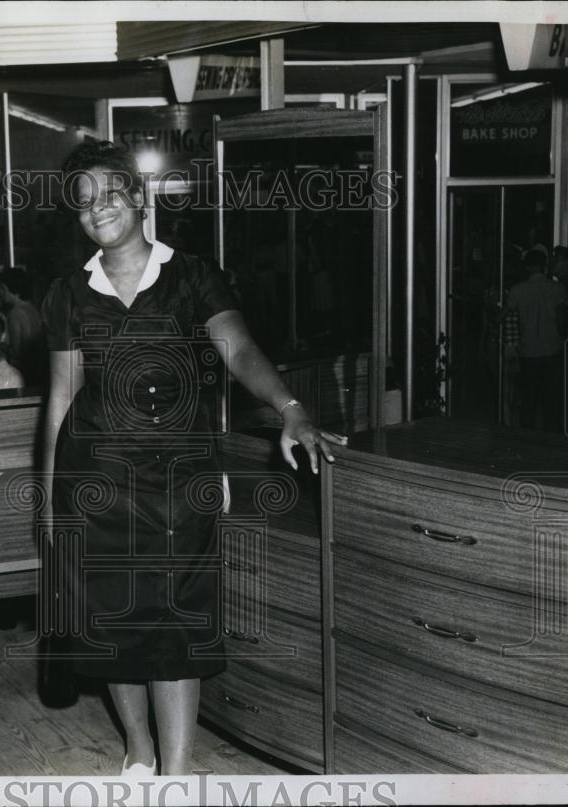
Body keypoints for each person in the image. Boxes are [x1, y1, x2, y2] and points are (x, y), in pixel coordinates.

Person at [41, 141, 346, 776]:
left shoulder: (194, 276)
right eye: (84, 201)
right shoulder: (67, 294)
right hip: (93, 483)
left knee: (177, 624)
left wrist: (289, 406)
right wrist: (48, 500)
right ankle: (140, 751)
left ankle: (177, 776)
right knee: (110, 625)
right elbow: (62, 396)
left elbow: (238, 350)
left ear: (140, 197)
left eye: (112, 192)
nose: (99, 208)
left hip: (181, 483)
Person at [506, 248, 568, 431]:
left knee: (529, 400)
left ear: (526, 268)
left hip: (529, 352)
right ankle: (551, 441)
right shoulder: (558, 289)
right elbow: (562, 320)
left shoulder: (517, 290)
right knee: (551, 401)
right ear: (544, 266)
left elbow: (505, 314)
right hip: (552, 350)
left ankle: (528, 441)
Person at [0, 267, 46, 385]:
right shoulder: (32, 309)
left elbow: (16, 351)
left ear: (5, 289)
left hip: (23, 372)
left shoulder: (15, 313)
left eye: (0, 289)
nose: (0, 294)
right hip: (37, 370)